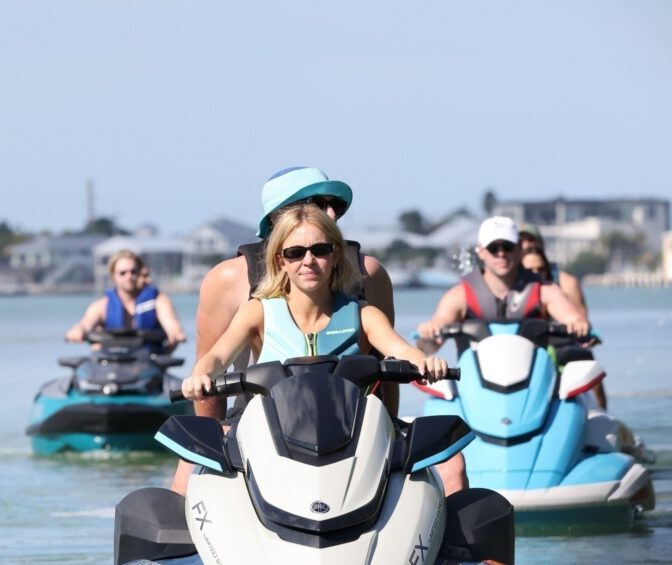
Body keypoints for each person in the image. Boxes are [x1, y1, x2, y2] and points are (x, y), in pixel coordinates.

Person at [171, 166, 468, 495]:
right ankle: (181, 545)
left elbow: (393, 352)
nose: (329, 213)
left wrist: (420, 366)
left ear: (334, 253)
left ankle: (451, 542)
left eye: (334, 208)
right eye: (316, 203)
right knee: (190, 465)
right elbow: (212, 358)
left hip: (351, 423)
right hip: (263, 423)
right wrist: (206, 414)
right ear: (279, 242)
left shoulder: (362, 301)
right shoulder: (252, 303)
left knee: (451, 462)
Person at [181, 204, 449, 403]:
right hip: (271, 443)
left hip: (349, 440)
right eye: (295, 253)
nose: (308, 260)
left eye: (320, 250)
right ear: (280, 262)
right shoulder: (258, 311)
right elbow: (217, 356)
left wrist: (425, 363)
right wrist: (200, 375)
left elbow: (401, 349)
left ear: (335, 256)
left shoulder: (363, 315)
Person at [416, 216, 590, 345]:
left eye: (507, 247)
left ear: (518, 249)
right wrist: (429, 332)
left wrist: (578, 325)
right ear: (481, 251)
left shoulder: (543, 290)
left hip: (534, 386)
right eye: (493, 248)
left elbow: (573, 318)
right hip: (475, 387)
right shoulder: (460, 295)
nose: (501, 254)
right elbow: (431, 342)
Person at [520, 229, 607, 408]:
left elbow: (581, 320)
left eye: (540, 269)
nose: (536, 273)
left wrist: (582, 328)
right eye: (522, 244)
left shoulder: (564, 282)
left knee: (586, 358)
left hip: (563, 346)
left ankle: (601, 414)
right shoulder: (511, 286)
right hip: (526, 349)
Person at [65, 250, 186, 350]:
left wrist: (175, 332)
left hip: (149, 363)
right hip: (112, 365)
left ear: (139, 273)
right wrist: (78, 331)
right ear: (113, 276)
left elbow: (171, 323)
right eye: (123, 273)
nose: (129, 277)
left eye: (133, 272)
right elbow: (86, 323)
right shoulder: (101, 306)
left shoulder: (158, 301)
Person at [518, 223, 589, 319]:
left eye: (531, 240)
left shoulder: (565, 282)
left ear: (541, 244)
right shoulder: (512, 282)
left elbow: (582, 322)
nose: (525, 245)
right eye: (520, 242)